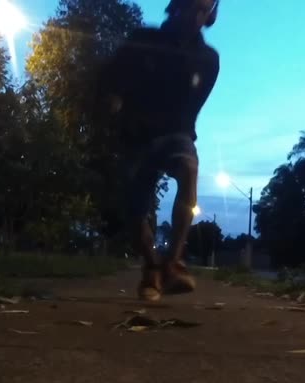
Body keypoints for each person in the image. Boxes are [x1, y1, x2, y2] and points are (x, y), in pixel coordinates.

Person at [99, 0, 220, 301]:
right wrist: (114, 102)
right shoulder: (143, 40)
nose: (196, 16)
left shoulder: (208, 59)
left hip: (176, 133)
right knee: (135, 211)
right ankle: (151, 267)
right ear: (177, 6)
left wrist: (177, 130)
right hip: (135, 136)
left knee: (189, 169)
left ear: (210, 15)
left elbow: (194, 104)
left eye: (204, 10)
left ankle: (173, 262)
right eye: (192, 7)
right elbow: (110, 79)